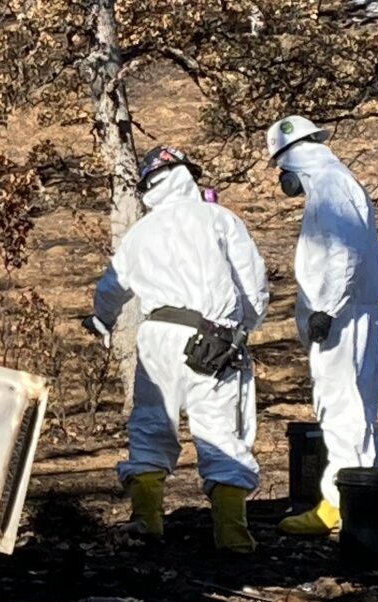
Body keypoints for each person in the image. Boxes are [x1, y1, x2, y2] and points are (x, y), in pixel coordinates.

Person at [85, 146, 269, 553]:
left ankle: (147, 521)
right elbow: (252, 284)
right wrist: (245, 327)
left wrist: (101, 320)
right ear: (187, 176)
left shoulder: (140, 232)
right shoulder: (219, 219)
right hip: (211, 338)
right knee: (219, 430)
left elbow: (111, 288)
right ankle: (232, 537)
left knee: (151, 424)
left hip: (156, 338)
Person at [266, 115, 378, 535]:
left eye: (280, 168)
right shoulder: (333, 181)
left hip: (341, 314)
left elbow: (344, 251)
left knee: (341, 407)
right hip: (348, 310)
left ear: (290, 158)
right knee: (357, 406)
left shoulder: (330, 185)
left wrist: (327, 307)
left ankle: (339, 505)